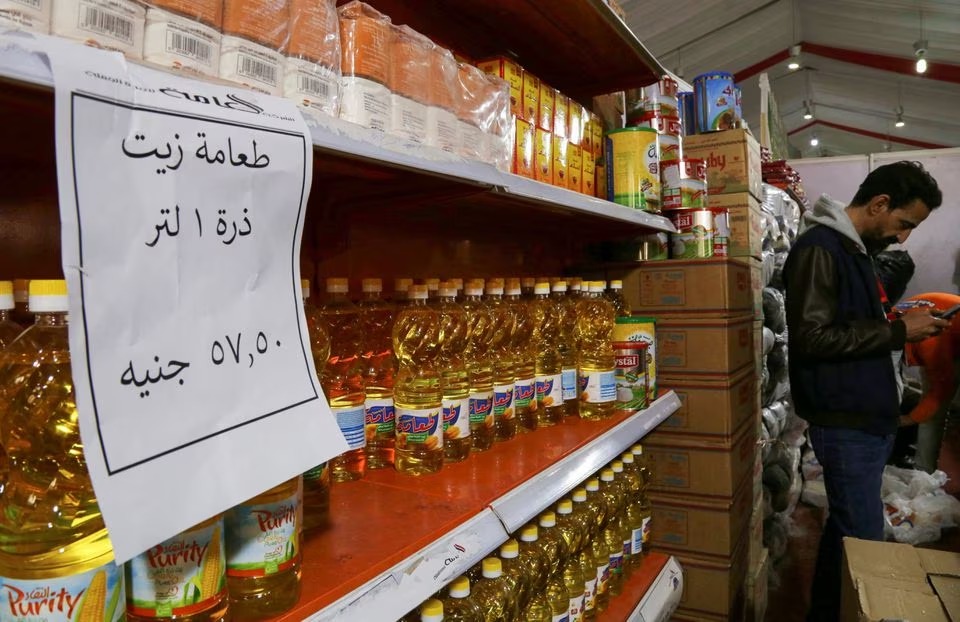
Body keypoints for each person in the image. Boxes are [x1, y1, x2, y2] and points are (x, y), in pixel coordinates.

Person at [783, 160, 946, 622]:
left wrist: (896, 326)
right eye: (903, 223)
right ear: (879, 204)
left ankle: (830, 611)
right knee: (864, 540)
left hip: (865, 417)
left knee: (847, 533)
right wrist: (896, 334)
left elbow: (851, 324)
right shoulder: (820, 249)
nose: (903, 237)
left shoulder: (854, 251)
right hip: (846, 422)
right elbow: (813, 339)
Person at [898, 292, 960, 473]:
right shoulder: (888, 325)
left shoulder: (928, 344)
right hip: (948, 332)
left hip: (949, 337)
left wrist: (905, 420)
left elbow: (937, 395)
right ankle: (923, 472)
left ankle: (923, 472)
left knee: (934, 414)